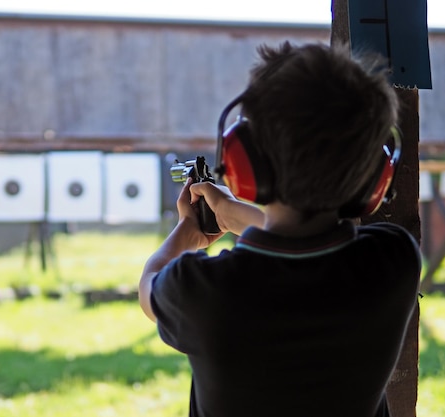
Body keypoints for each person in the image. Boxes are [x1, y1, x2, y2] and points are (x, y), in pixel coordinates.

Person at [138, 41, 421, 417]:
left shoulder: (201, 290)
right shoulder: (392, 260)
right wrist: (233, 214)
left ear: (244, 161)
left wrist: (188, 232)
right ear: (375, 179)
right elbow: (309, 245)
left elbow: (150, 286)